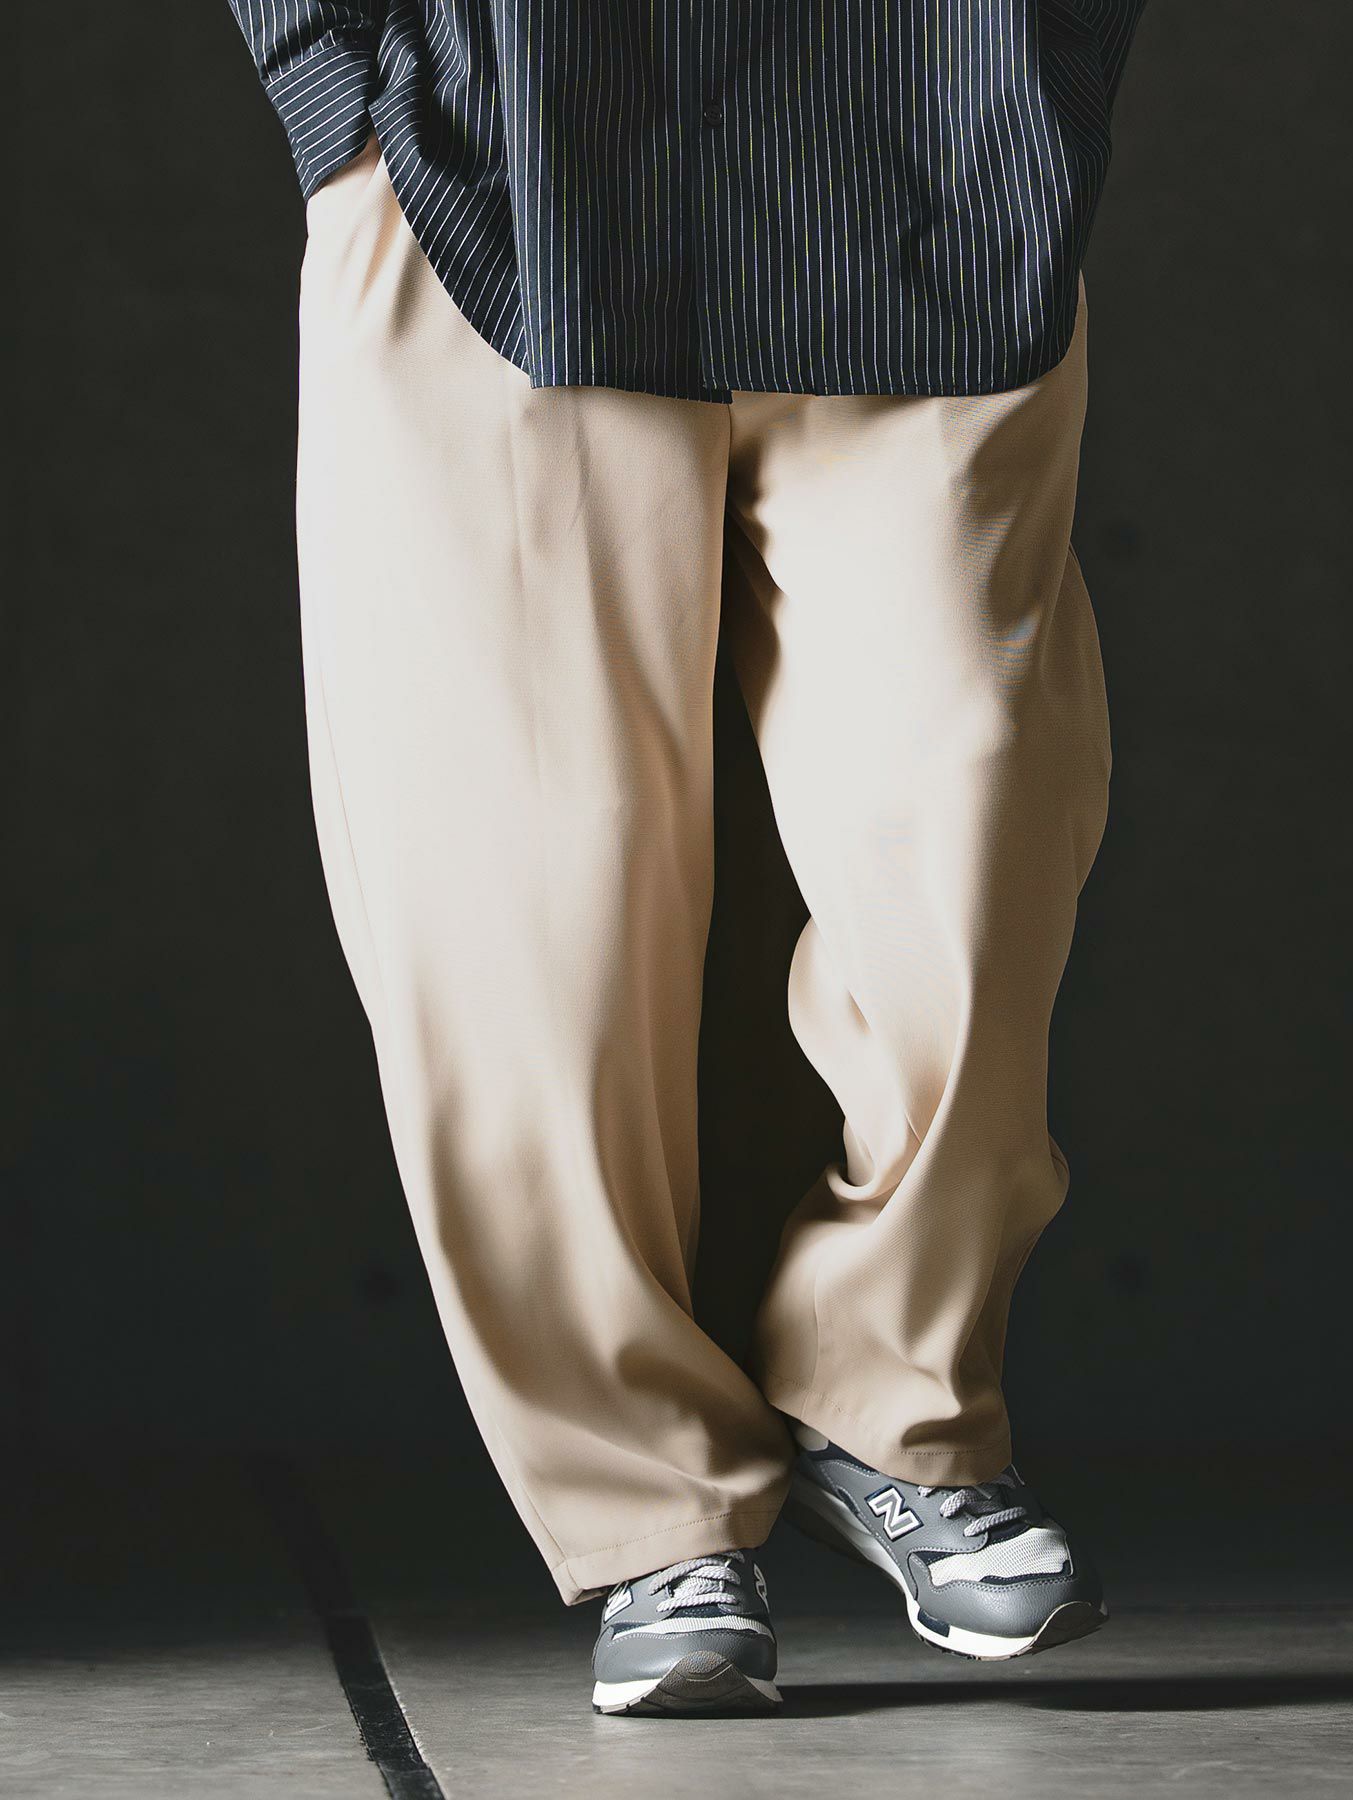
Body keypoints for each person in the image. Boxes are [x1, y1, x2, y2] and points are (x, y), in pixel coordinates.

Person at [227, 0, 1146, 1718]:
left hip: (923, 129)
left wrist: (1049, 67)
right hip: (491, 139)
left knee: (974, 811)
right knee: (514, 901)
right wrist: (328, 85)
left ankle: (896, 1399)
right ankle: (644, 1505)